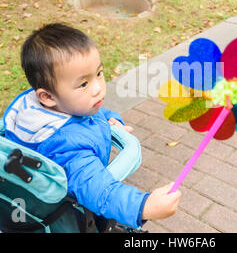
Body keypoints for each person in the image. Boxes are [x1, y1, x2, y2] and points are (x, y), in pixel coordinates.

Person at [3, 23, 181, 229]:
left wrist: (112, 120)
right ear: (48, 96)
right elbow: (97, 188)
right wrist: (143, 206)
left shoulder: (37, 106)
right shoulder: (66, 146)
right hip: (74, 213)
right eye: (83, 84)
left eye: (99, 73)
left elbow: (95, 113)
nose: (98, 88)